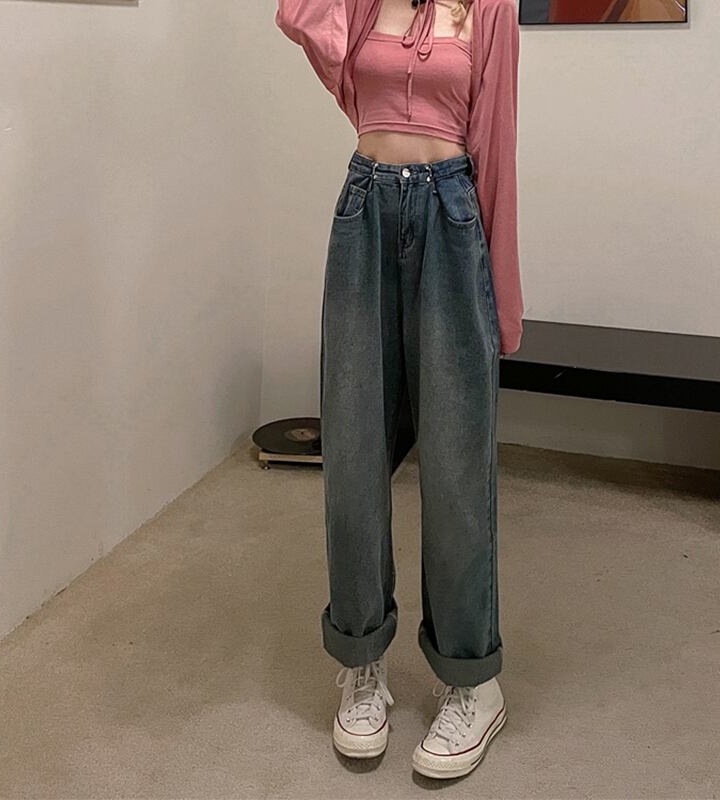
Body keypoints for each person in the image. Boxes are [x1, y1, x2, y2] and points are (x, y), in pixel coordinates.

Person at [274, 0, 523, 780]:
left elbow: (496, 143)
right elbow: (297, 13)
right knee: (353, 452)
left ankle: (473, 680)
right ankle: (361, 663)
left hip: (451, 211)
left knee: (455, 463)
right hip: (365, 208)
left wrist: (503, 302)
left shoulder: (492, 8)